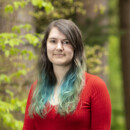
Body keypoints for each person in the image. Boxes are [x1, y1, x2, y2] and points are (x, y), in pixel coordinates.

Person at [23, 19, 111, 130]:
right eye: (53, 41)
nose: (59, 47)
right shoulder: (37, 87)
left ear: (76, 48)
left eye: (66, 42)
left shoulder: (95, 86)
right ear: (46, 47)